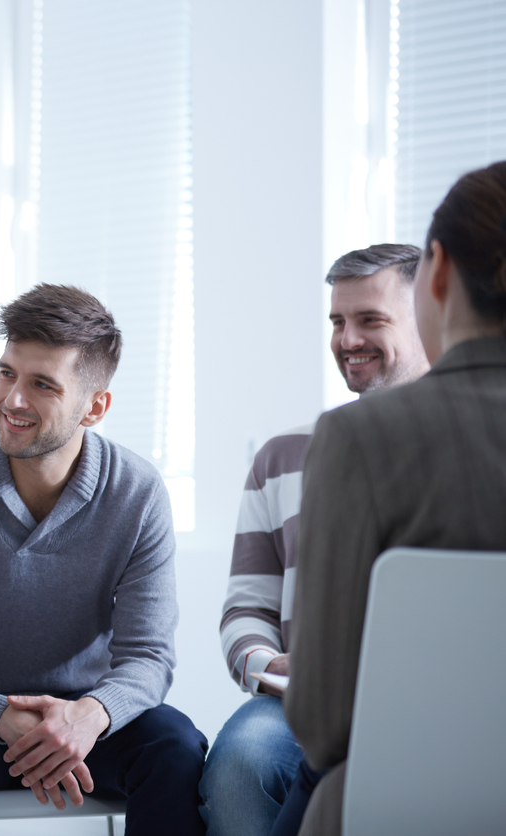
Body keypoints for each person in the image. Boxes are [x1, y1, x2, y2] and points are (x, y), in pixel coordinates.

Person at [0, 283, 208, 836]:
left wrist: (88, 716)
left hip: (83, 727)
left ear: (94, 407)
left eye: (42, 384)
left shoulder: (138, 492)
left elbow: (148, 657)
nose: (13, 400)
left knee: (174, 744)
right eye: (7, 373)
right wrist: (6, 719)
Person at [285, 161, 506, 835]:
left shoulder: (359, 439)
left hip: (410, 804)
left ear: (434, 275)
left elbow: (321, 722)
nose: (349, 340)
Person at [198, 244, 429, 836]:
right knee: (241, 765)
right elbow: (245, 610)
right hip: (300, 701)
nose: (347, 339)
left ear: (426, 315)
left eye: (370, 320)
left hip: (426, 700)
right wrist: (273, 663)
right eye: (337, 322)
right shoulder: (281, 458)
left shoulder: (462, 444)